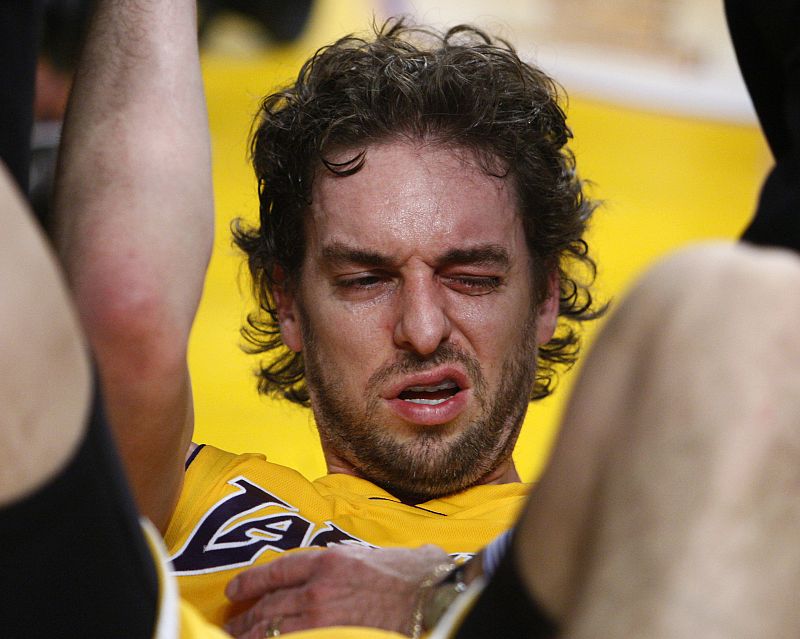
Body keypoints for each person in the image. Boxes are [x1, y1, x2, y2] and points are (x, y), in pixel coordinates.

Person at [49, 1, 800, 638]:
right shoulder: (176, 493)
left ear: (546, 297)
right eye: (365, 278)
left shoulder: (627, 543)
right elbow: (128, 312)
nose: (423, 328)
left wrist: (449, 596)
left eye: (470, 276)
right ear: (287, 303)